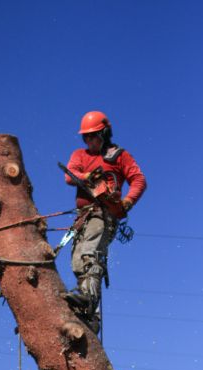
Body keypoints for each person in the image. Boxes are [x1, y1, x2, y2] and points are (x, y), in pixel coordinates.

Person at [64, 110, 147, 332]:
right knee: (77, 263)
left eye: (94, 136)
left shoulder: (118, 156)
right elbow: (69, 174)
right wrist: (86, 177)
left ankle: (88, 300)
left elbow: (138, 179)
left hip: (105, 214)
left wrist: (127, 202)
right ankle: (89, 314)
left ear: (105, 133)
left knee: (90, 254)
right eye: (86, 137)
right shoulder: (80, 155)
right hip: (83, 216)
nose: (89, 140)